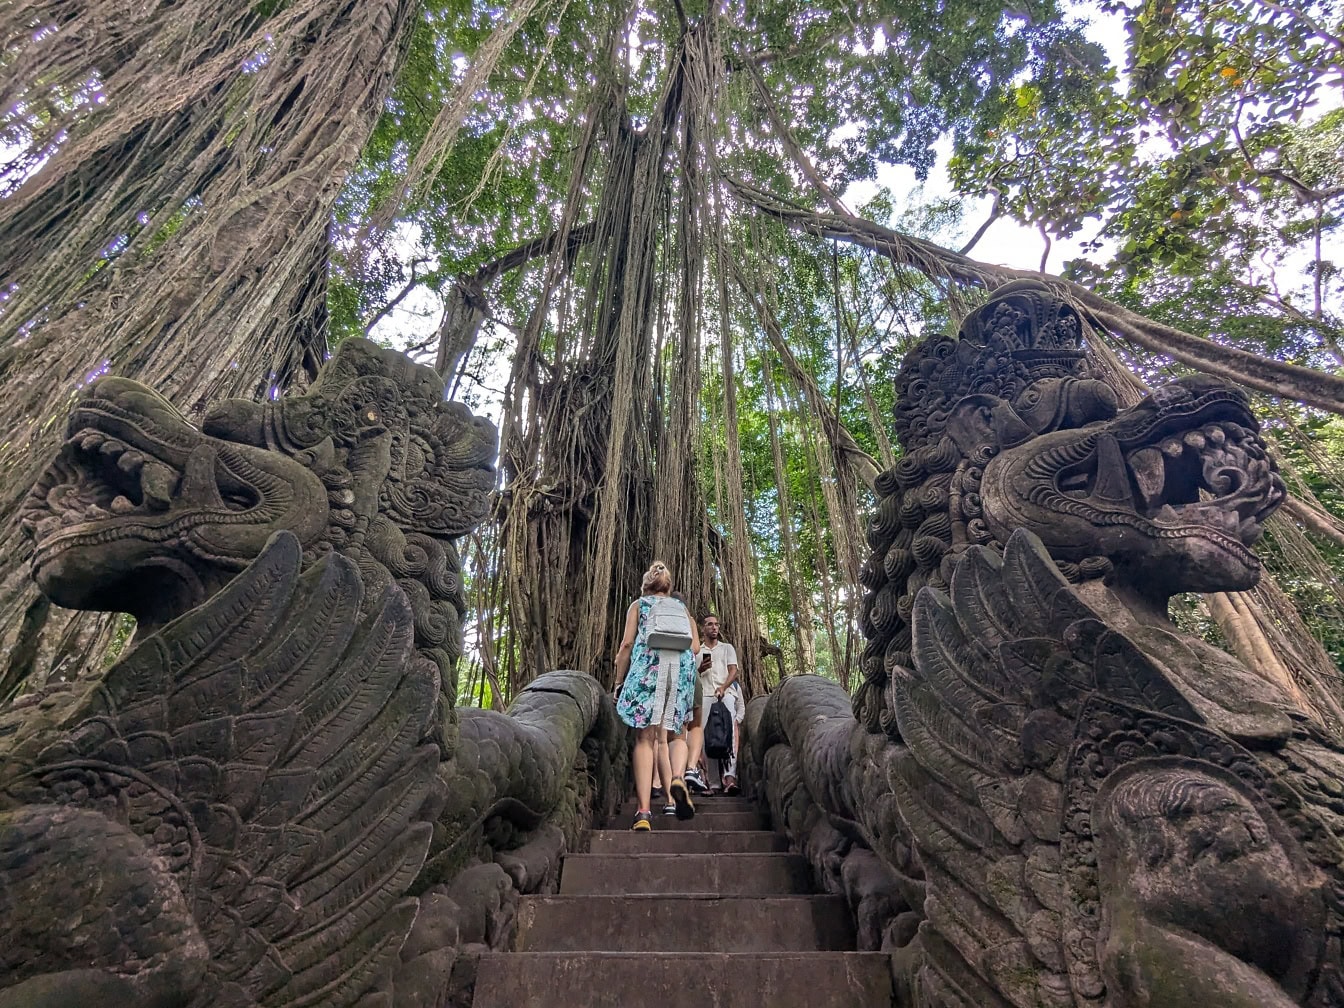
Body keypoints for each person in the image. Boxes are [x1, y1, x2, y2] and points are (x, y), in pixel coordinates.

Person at [613, 561, 700, 830]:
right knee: (677, 733)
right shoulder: (681, 608)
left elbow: (627, 644)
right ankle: (677, 778)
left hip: (649, 669)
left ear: (646, 584)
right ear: (668, 586)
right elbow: (695, 647)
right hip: (680, 673)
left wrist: (618, 681)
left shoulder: (639, 605)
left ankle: (643, 813)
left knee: (645, 738)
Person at [695, 614, 744, 795]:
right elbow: (692, 678)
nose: (714, 628)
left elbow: (734, 670)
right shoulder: (697, 652)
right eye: (710, 625)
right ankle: (714, 783)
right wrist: (701, 669)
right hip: (706, 695)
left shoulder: (727, 648)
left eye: (716, 624)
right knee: (707, 737)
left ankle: (730, 779)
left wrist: (723, 687)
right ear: (703, 628)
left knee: (729, 734)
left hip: (726, 694)